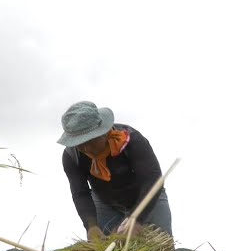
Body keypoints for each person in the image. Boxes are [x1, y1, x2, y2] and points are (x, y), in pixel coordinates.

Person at [57, 101, 172, 243]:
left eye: (90, 141)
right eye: (79, 144)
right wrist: (91, 226)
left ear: (104, 131)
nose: (86, 149)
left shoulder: (132, 140)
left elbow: (152, 179)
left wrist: (136, 217)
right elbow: (80, 193)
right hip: (106, 202)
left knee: (161, 250)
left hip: (147, 196)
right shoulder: (71, 156)